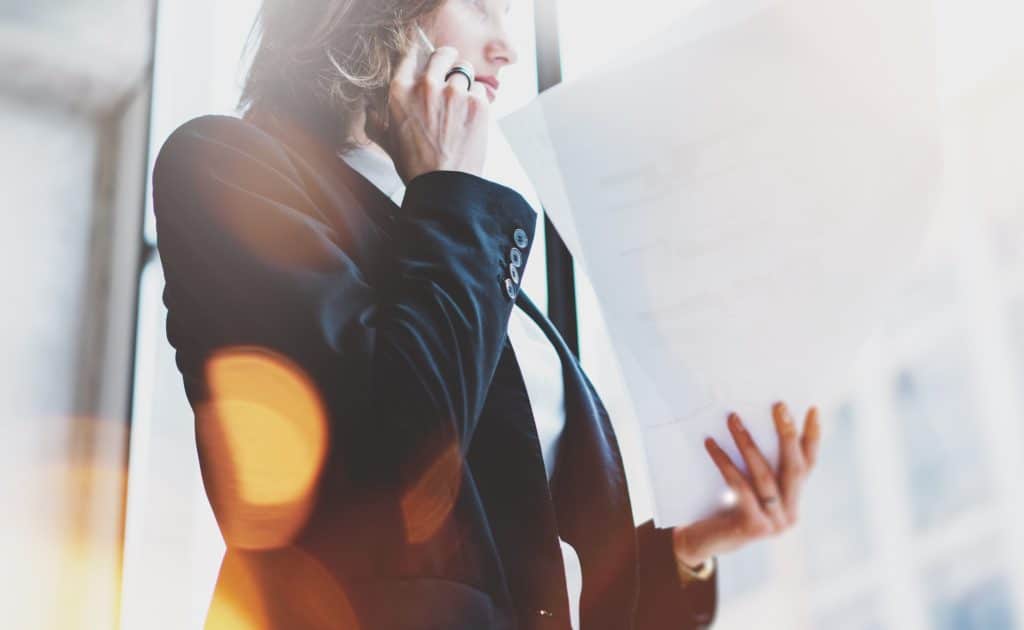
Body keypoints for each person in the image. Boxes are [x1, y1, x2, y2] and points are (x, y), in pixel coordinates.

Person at [152, 0, 824, 628]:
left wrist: (693, 546)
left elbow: (527, 570)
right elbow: (379, 476)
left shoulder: (446, 226)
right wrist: (447, 187)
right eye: (480, 4)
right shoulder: (228, 168)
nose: (507, 50)